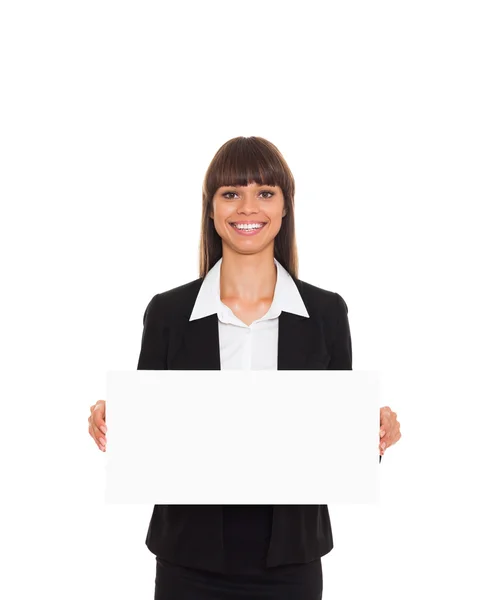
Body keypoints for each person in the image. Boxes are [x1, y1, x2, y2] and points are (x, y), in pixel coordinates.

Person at [88, 136, 402, 599]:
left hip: (291, 563)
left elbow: (338, 448)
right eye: (231, 193)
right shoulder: (169, 314)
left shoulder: (326, 313)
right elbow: (149, 443)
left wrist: (374, 433)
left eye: (265, 193)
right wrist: (113, 421)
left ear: (285, 207)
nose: (247, 207)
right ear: (211, 209)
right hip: (187, 563)